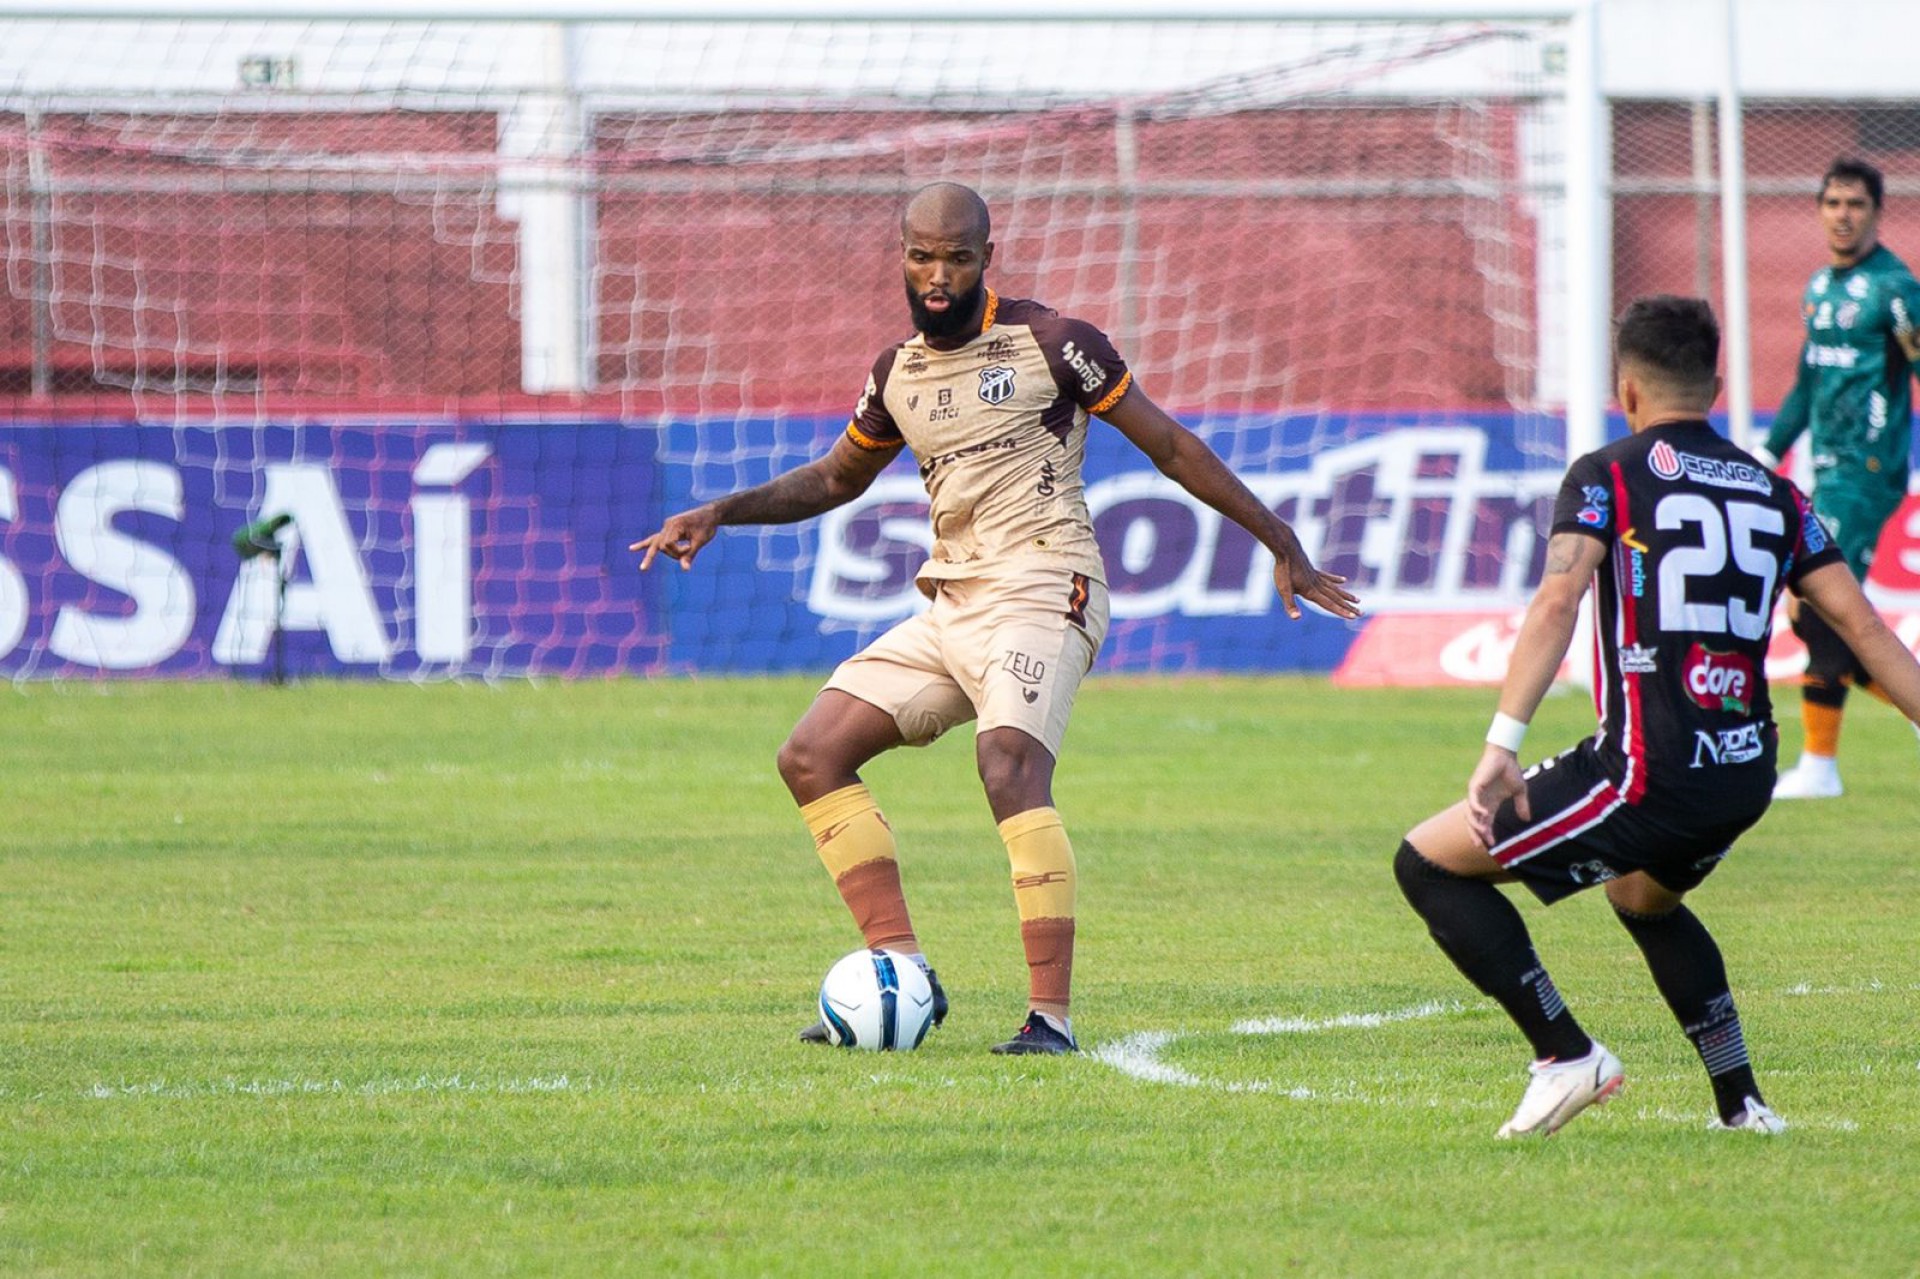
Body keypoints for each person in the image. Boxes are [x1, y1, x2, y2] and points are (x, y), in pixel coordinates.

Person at [633, 182, 1359, 1055]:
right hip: (952, 599)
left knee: (1006, 761)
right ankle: (900, 974)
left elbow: (1168, 445)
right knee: (811, 754)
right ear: (902, 255)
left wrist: (1279, 538)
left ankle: (1048, 1019)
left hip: (1048, 584)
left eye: (956, 257)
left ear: (987, 257)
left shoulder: (1057, 344)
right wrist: (722, 510)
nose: (937, 276)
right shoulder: (895, 371)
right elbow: (834, 479)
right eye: (921, 256)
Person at [1394, 295, 1920, 1138]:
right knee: (1645, 898)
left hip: (1646, 769)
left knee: (1426, 864)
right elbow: (1862, 627)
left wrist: (1503, 740)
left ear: (1626, 390)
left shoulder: (1607, 472)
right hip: (1743, 771)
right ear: (1714, 383)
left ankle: (1565, 1053)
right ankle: (1741, 1103)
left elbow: (1559, 595)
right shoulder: (1776, 491)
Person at [1755, 157, 1920, 799]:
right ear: (1820, 210)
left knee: (1820, 603)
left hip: (1867, 468)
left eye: (1855, 204)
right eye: (1832, 203)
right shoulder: (1820, 288)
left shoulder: (1896, 290)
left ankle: (1820, 768)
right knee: (1808, 611)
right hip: (1822, 469)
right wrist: (1768, 454)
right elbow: (1806, 383)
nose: (1843, 215)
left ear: (1877, 213)